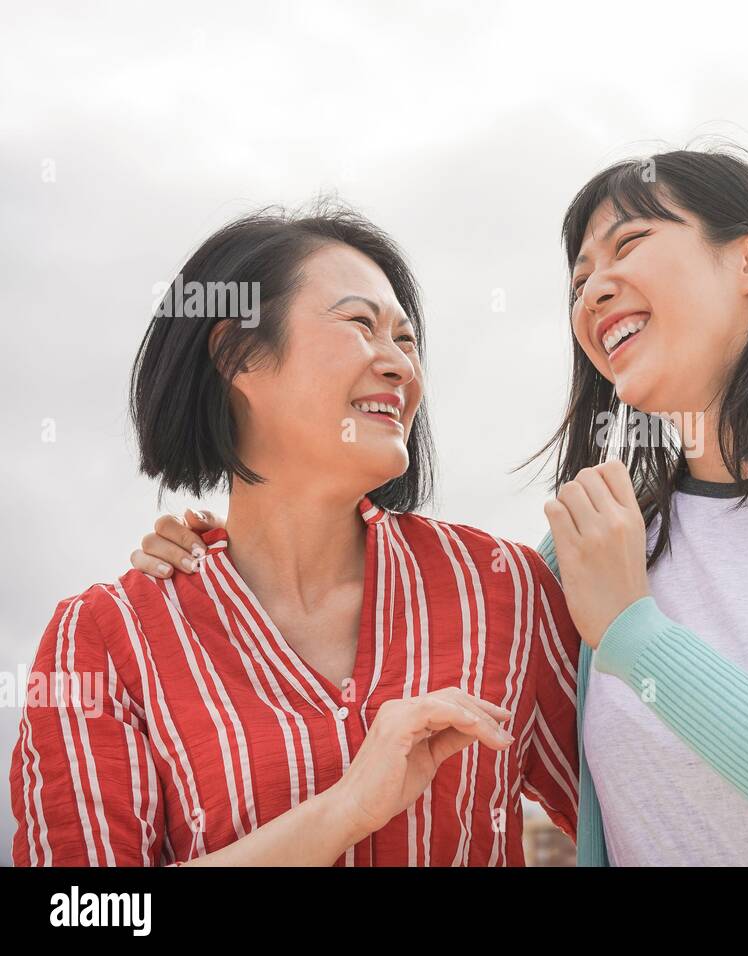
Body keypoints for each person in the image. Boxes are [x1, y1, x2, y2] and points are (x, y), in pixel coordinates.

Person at [134, 147, 748, 866]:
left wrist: (638, 635)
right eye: (578, 277)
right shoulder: (594, 549)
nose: (593, 287)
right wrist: (244, 557)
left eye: (629, 245)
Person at [10, 205, 580, 866]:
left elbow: (643, 817)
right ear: (239, 355)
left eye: (406, 338)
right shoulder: (107, 639)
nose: (400, 366)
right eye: (361, 324)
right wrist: (342, 812)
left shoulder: (502, 589)